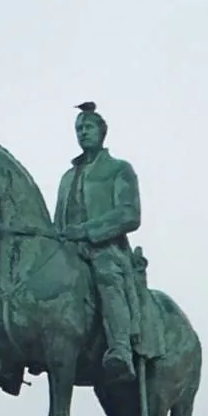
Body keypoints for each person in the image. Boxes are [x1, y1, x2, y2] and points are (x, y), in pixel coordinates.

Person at [54, 102, 144, 382]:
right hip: (69, 252)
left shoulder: (119, 169)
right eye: (78, 128)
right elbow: (58, 222)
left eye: (88, 127)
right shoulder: (67, 178)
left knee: (108, 278)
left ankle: (121, 349)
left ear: (102, 132)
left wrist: (87, 230)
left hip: (105, 250)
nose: (83, 132)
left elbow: (129, 214)